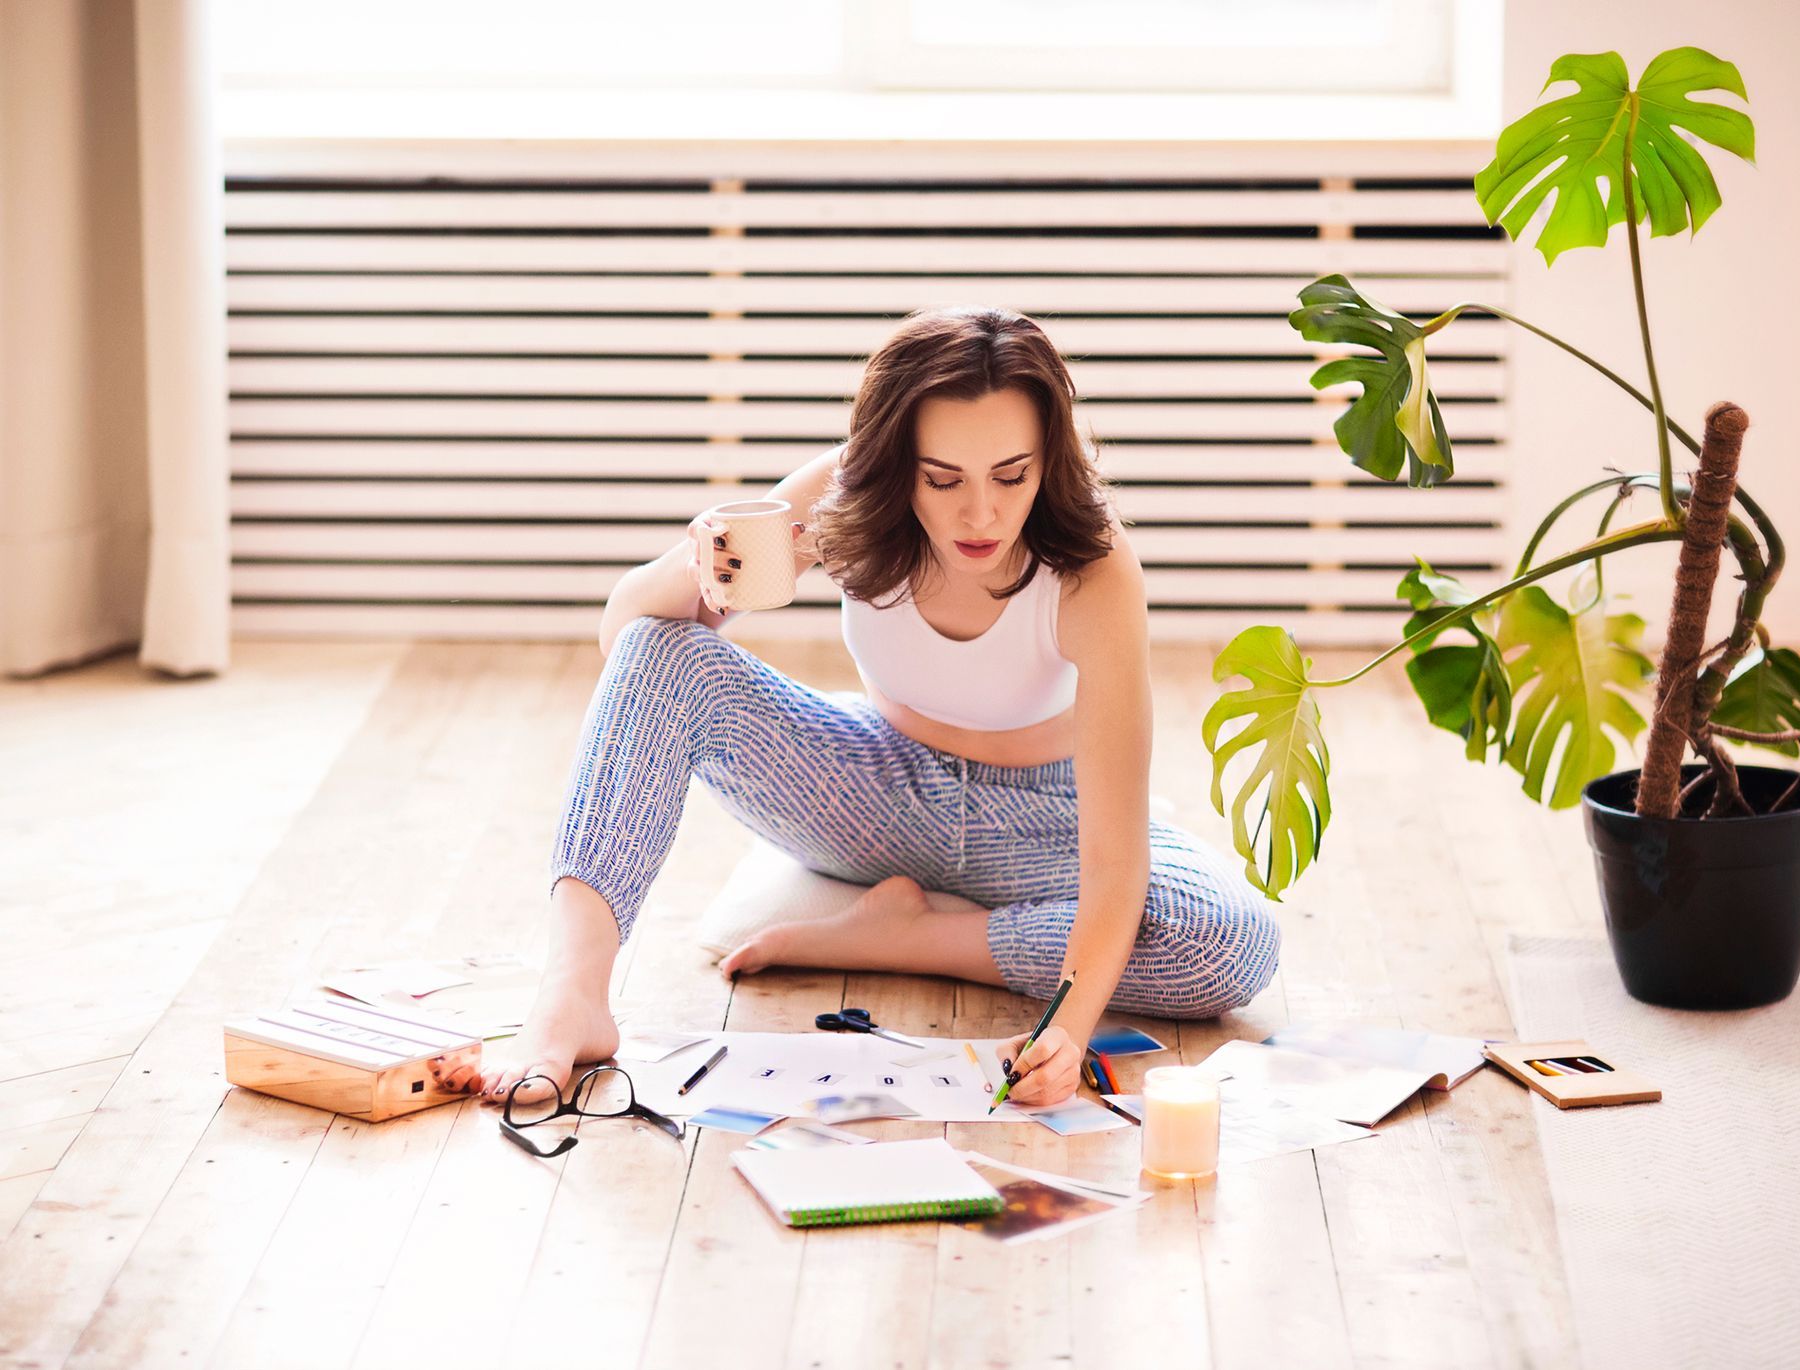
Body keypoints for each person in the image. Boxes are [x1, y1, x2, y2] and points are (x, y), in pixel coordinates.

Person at [436, 305, 1278, 1110]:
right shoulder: (844, 497)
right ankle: (572, 998)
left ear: (1046, 461)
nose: (979, 512)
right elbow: (629, 638)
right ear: (894, 461)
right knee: (664, 650)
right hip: (872, 785)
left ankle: (899, 936)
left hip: (1042, 816)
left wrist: (1067, 1022)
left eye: (1010, 476)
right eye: (941, 478)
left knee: (1228, 943)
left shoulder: (1095, 566)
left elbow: (1114, 864)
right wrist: (707, 566)